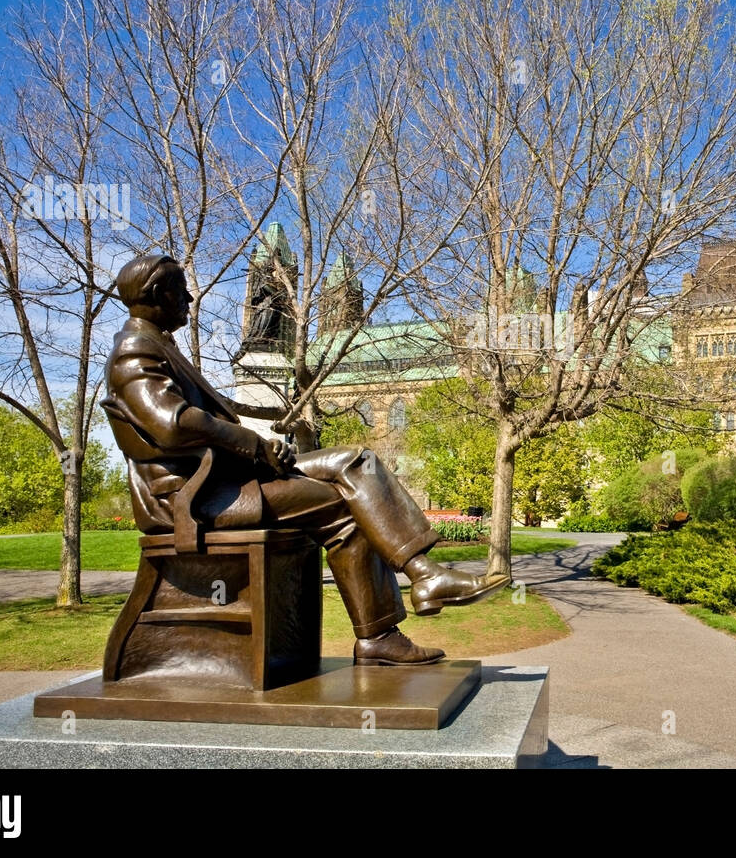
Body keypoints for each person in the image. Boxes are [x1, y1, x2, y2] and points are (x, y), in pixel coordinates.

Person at [101, 254, 507, 666]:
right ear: (155, 294)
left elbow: (198, 419)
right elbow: (173, 423)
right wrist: (256, 445)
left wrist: (267, 450)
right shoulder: (134, 351)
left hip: (226, 480)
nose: (189, 297)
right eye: (179, 289)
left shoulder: (156, 347)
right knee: (347, 507)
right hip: (194, 498)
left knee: (356, 462)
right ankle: (381, 633)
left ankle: (423, 575)